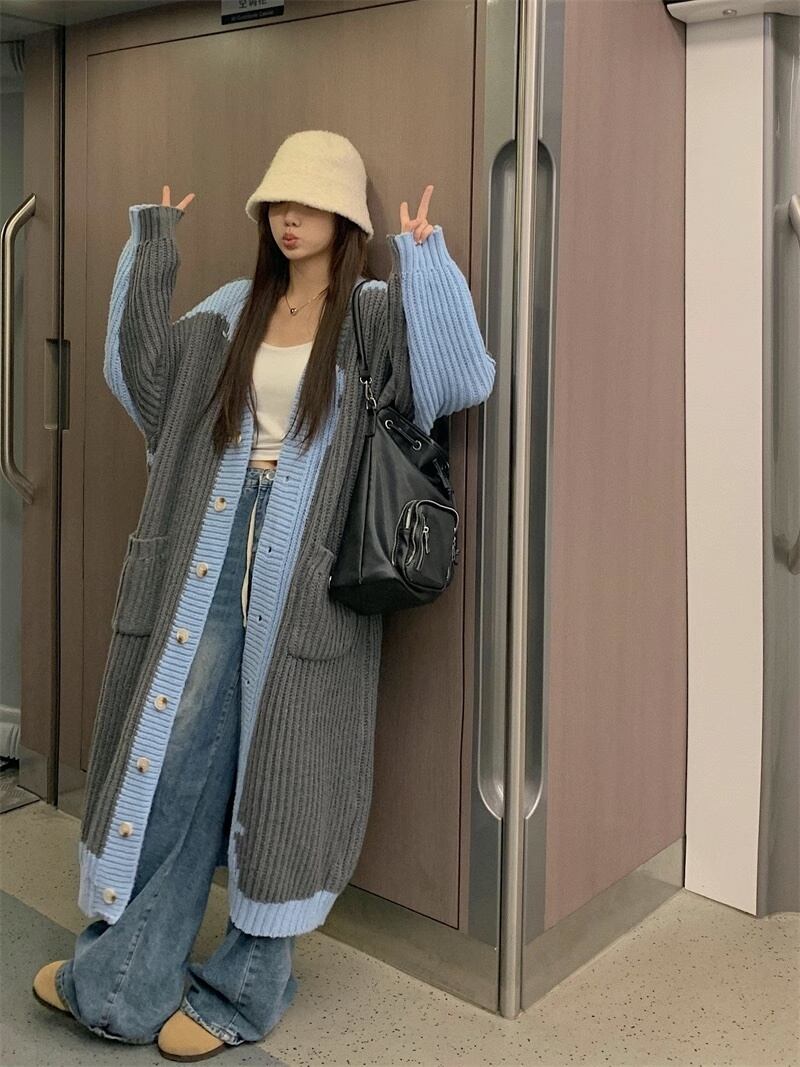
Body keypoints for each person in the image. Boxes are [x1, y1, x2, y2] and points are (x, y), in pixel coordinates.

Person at [32, 130, 496, 1061]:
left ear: (344, 217)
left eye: (310, 203)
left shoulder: (369, 314)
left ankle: (244, 990)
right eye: (278, 202)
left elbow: (458, 379)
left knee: (289, 776)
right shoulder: (229, 310)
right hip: (205, 558)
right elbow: (143, 382)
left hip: (313, 575)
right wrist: (151, 247)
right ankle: (124, 979)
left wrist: (427, 263)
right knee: (175, 760)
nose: (289, 218)